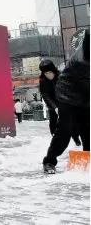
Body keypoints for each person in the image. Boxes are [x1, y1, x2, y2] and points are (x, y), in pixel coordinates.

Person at [43, 29, 90, 174]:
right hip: (66, 95)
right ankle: (49, 161)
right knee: (65, 129)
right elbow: (88, 86)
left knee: (87, 129)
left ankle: (87, 159)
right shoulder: (81, 61)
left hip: (83, 97)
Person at [39, 59, 81, 145]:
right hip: (52, 104)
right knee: (53, 123)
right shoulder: (43, 81)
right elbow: (45, 95)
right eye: (46, 73)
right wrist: (54, 107)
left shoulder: (62, 76)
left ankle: (76, 137)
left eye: (49, 72)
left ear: (53, 70)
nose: (48, 75)